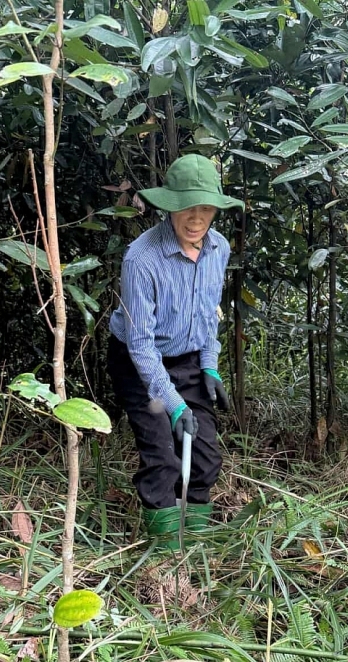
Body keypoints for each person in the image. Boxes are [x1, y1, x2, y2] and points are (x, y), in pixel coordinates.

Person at [107, 153, 243, 548]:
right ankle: (165, 556)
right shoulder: (142, 258)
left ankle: (195, 539)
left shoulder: (218, 248)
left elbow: (207, 314)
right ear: (170, 206)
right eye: (187, 207)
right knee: (163, 455)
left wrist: (210, 367)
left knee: (206, 456)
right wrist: (173, 404)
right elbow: (140, 344)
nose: (196, 218)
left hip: (188, 359)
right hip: (139, 364)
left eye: (205, 208)